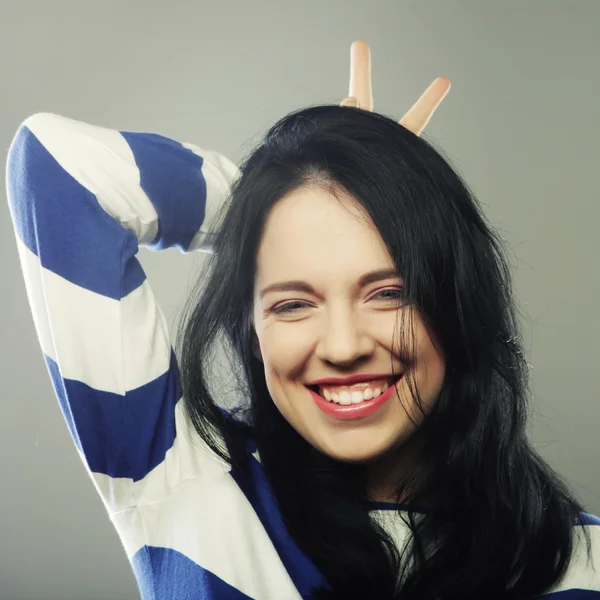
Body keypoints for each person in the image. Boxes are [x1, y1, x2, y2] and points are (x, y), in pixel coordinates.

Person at [5, 40, 599, 600]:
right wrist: (297, 191)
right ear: (253, 328)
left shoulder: (585, 558)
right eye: (292, 303)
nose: (342, 347)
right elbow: (60, 168)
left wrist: (397, 195)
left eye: (388, 293)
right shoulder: (179, 481)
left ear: (457, 299)